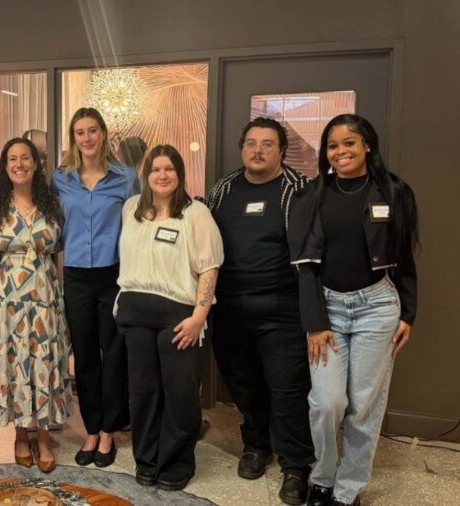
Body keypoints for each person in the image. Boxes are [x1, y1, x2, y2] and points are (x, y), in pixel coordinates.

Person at [289, 114, 418, 506]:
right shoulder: (311, 195)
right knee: (327, 402)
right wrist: (315, 323)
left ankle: (347, 490)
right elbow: (305, 266)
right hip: (327, 308)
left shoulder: (394, 192)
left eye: (349, 143)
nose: (340, 151)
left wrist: (407, 313)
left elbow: (404, 258)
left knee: (363, 407)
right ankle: (324, 477)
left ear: (367, 146)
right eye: (332, 145)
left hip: (378, 308)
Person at [206, 117, 314, 505]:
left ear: (282, 151)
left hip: (282, 309)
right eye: (251, 143)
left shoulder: (300, 190)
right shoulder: (223, 189)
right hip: (231, 307)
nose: (258, 150)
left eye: (267, 144)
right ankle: (256, 444)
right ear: (242, 148)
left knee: (287, 389)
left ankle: (296, 465)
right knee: (243, 385)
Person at [116, 144, 223, 491]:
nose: (162, 175)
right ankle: (146, 460)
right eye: (155, 169)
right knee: (143, 393)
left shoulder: (195, 213)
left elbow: (209, 268)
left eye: (169, 169)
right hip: (135, 313)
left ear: (179, 174)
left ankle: (176, 461)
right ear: (146, 175)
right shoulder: (131, 208)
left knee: (180, 393)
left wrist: (199, 317)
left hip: (179, 317)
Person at [52, 107, 138, 467]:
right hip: (76, 275)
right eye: (80, 132)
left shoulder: (126, 177)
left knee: (114, 353)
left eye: (92, 131)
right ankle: (91, 428)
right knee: (84, 354)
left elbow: (138, 224)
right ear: (74, 138)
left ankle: (109, 431)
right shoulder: (60, 179)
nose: (86, 138)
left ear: (104, 134)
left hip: (113, 275)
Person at [0, 137, 72, 474]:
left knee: (44, 361)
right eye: (12, 159)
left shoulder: (52, 203)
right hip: (7, 298)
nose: (19, 164)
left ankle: (44, 435)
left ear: (36, 164)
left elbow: (62, 243)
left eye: (25, 158)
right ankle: (20, 434)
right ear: (5, 167)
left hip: (45, 294)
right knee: (14, 361)